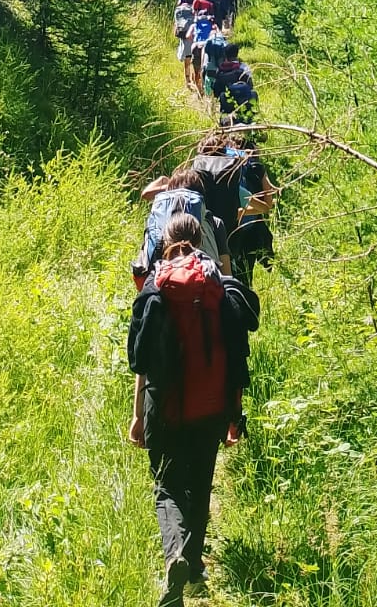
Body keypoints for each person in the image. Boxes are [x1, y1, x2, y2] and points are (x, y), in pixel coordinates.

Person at [128, 213, 259, 604]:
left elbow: (140, 360)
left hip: (164, 405)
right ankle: (195, 565)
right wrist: (234, 414)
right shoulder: (221, 287)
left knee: (167, 486)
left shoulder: (154, 287)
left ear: (162, 242)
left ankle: (174, 559)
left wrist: (138, 414)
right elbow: (238, 353)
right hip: (212, 404)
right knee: (200, 483)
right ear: (201, 239)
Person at [192, 131, 278, 288]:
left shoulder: (193, 181)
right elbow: (265, 206)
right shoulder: (230, 182)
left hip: (201, 239)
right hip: (232, 234)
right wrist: (239, 211)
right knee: (235, 281)